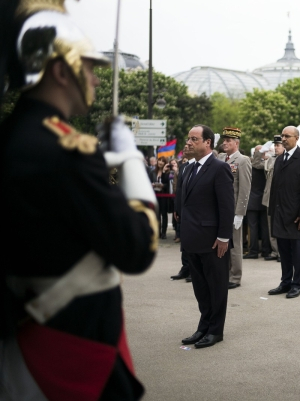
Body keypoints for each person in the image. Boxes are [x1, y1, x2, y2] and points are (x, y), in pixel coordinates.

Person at [0, 3, 158, 398]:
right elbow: (137, 247)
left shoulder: (14, 139)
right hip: (71, 343)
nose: (96, 80)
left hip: (22, 336)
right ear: (59, 70)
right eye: (88, 67)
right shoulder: (65, 149)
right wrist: (133, 160)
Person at [180, 124, 234, 349]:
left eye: (194, 139)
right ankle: (203, 326)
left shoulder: (219, 168)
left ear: (207, 142)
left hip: (213, 240)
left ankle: (215, 331)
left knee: (216, 286)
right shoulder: (189, 168)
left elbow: (226, 206)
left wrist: (224, 237)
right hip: (192, 239)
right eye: (189, 138)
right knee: (200, 287)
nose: (189, 142)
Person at [267, 126, 300, 299]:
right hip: (280, 213)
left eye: (287, 136)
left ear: (297, 138)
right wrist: (272, 211)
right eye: (282, 136)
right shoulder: (280, 159)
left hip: (296, 215)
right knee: (284, 251)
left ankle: (297, 284)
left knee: (297, 251)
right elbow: (275, 188)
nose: (284, 139)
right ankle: (285, 281)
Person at [217, 127, 251, 289]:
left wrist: (240, 213)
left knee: (234, 244)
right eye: (223, 140)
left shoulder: (243, 160)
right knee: (220, 241)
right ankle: (223, 273)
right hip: (219, 208)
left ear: (236, 143)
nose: (225, 143)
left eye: (228, 141)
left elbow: (245, 188)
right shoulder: (221, 157)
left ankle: (235, 277)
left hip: (233, 209)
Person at [171, 145, 196, 281]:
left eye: (189, 146)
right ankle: (185, 268)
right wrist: (176, 208)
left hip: (193, 211)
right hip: (183, 209)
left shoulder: (198, 166)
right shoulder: (184, 166)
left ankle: (193, 270)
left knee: (193, 242)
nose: (186, 148)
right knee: (184, 241)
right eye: (185, 146)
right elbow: (179, 189)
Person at [246, 144, 272, 259]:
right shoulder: (266, 165)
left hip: (252, 200)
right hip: (263, 200)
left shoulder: (254, 165)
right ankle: (266, 250)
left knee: (253, 227)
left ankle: (254, 251)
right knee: (264, 227)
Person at [262, 135, 284, 262]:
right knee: (271, 225)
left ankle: (282, 252)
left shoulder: (287, 160)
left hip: (280, 198)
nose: (276, 147)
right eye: (275, 145)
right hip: (269, 196)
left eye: (278, 145)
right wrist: (262, 152)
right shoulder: (271, 159)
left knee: (280, 225)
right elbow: (259, 165)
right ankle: (275, 251)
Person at [151, 156, 171, 239]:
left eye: (163, 161)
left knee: (164, 214)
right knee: (157, 214)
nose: (161, 162)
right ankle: (157, 232)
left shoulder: (167, 172)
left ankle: (163, 233)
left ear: (165, 163)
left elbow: (167, 184)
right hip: (155, 195)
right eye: (159, 160)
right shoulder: (152, 172)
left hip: (164, 195)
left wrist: (163, 172)